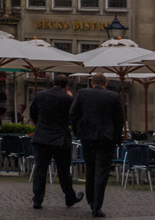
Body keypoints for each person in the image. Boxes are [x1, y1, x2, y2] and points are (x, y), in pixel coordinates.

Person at [70, 74, 123, 218]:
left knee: (90, 169)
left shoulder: (82, 93)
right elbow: (119, 120)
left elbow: (73, 115)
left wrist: (79, 132)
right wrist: (117, 138)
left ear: (92, 83)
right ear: (105, 84)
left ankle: (91, 200)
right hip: (106, 139)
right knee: (102, 172)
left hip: (87, 138)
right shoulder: (113, 96)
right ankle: (97, 206)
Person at [29, 74, 84, 211]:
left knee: (40, 168)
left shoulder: (40, 95)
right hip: (60, 138)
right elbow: (73, 117)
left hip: (42, 137)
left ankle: (38, 199)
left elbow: (33, 112)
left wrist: (40, 125)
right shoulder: (67, 99)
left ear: (53, 83)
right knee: (63, 170)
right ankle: (69, 197)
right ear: (66, 86)